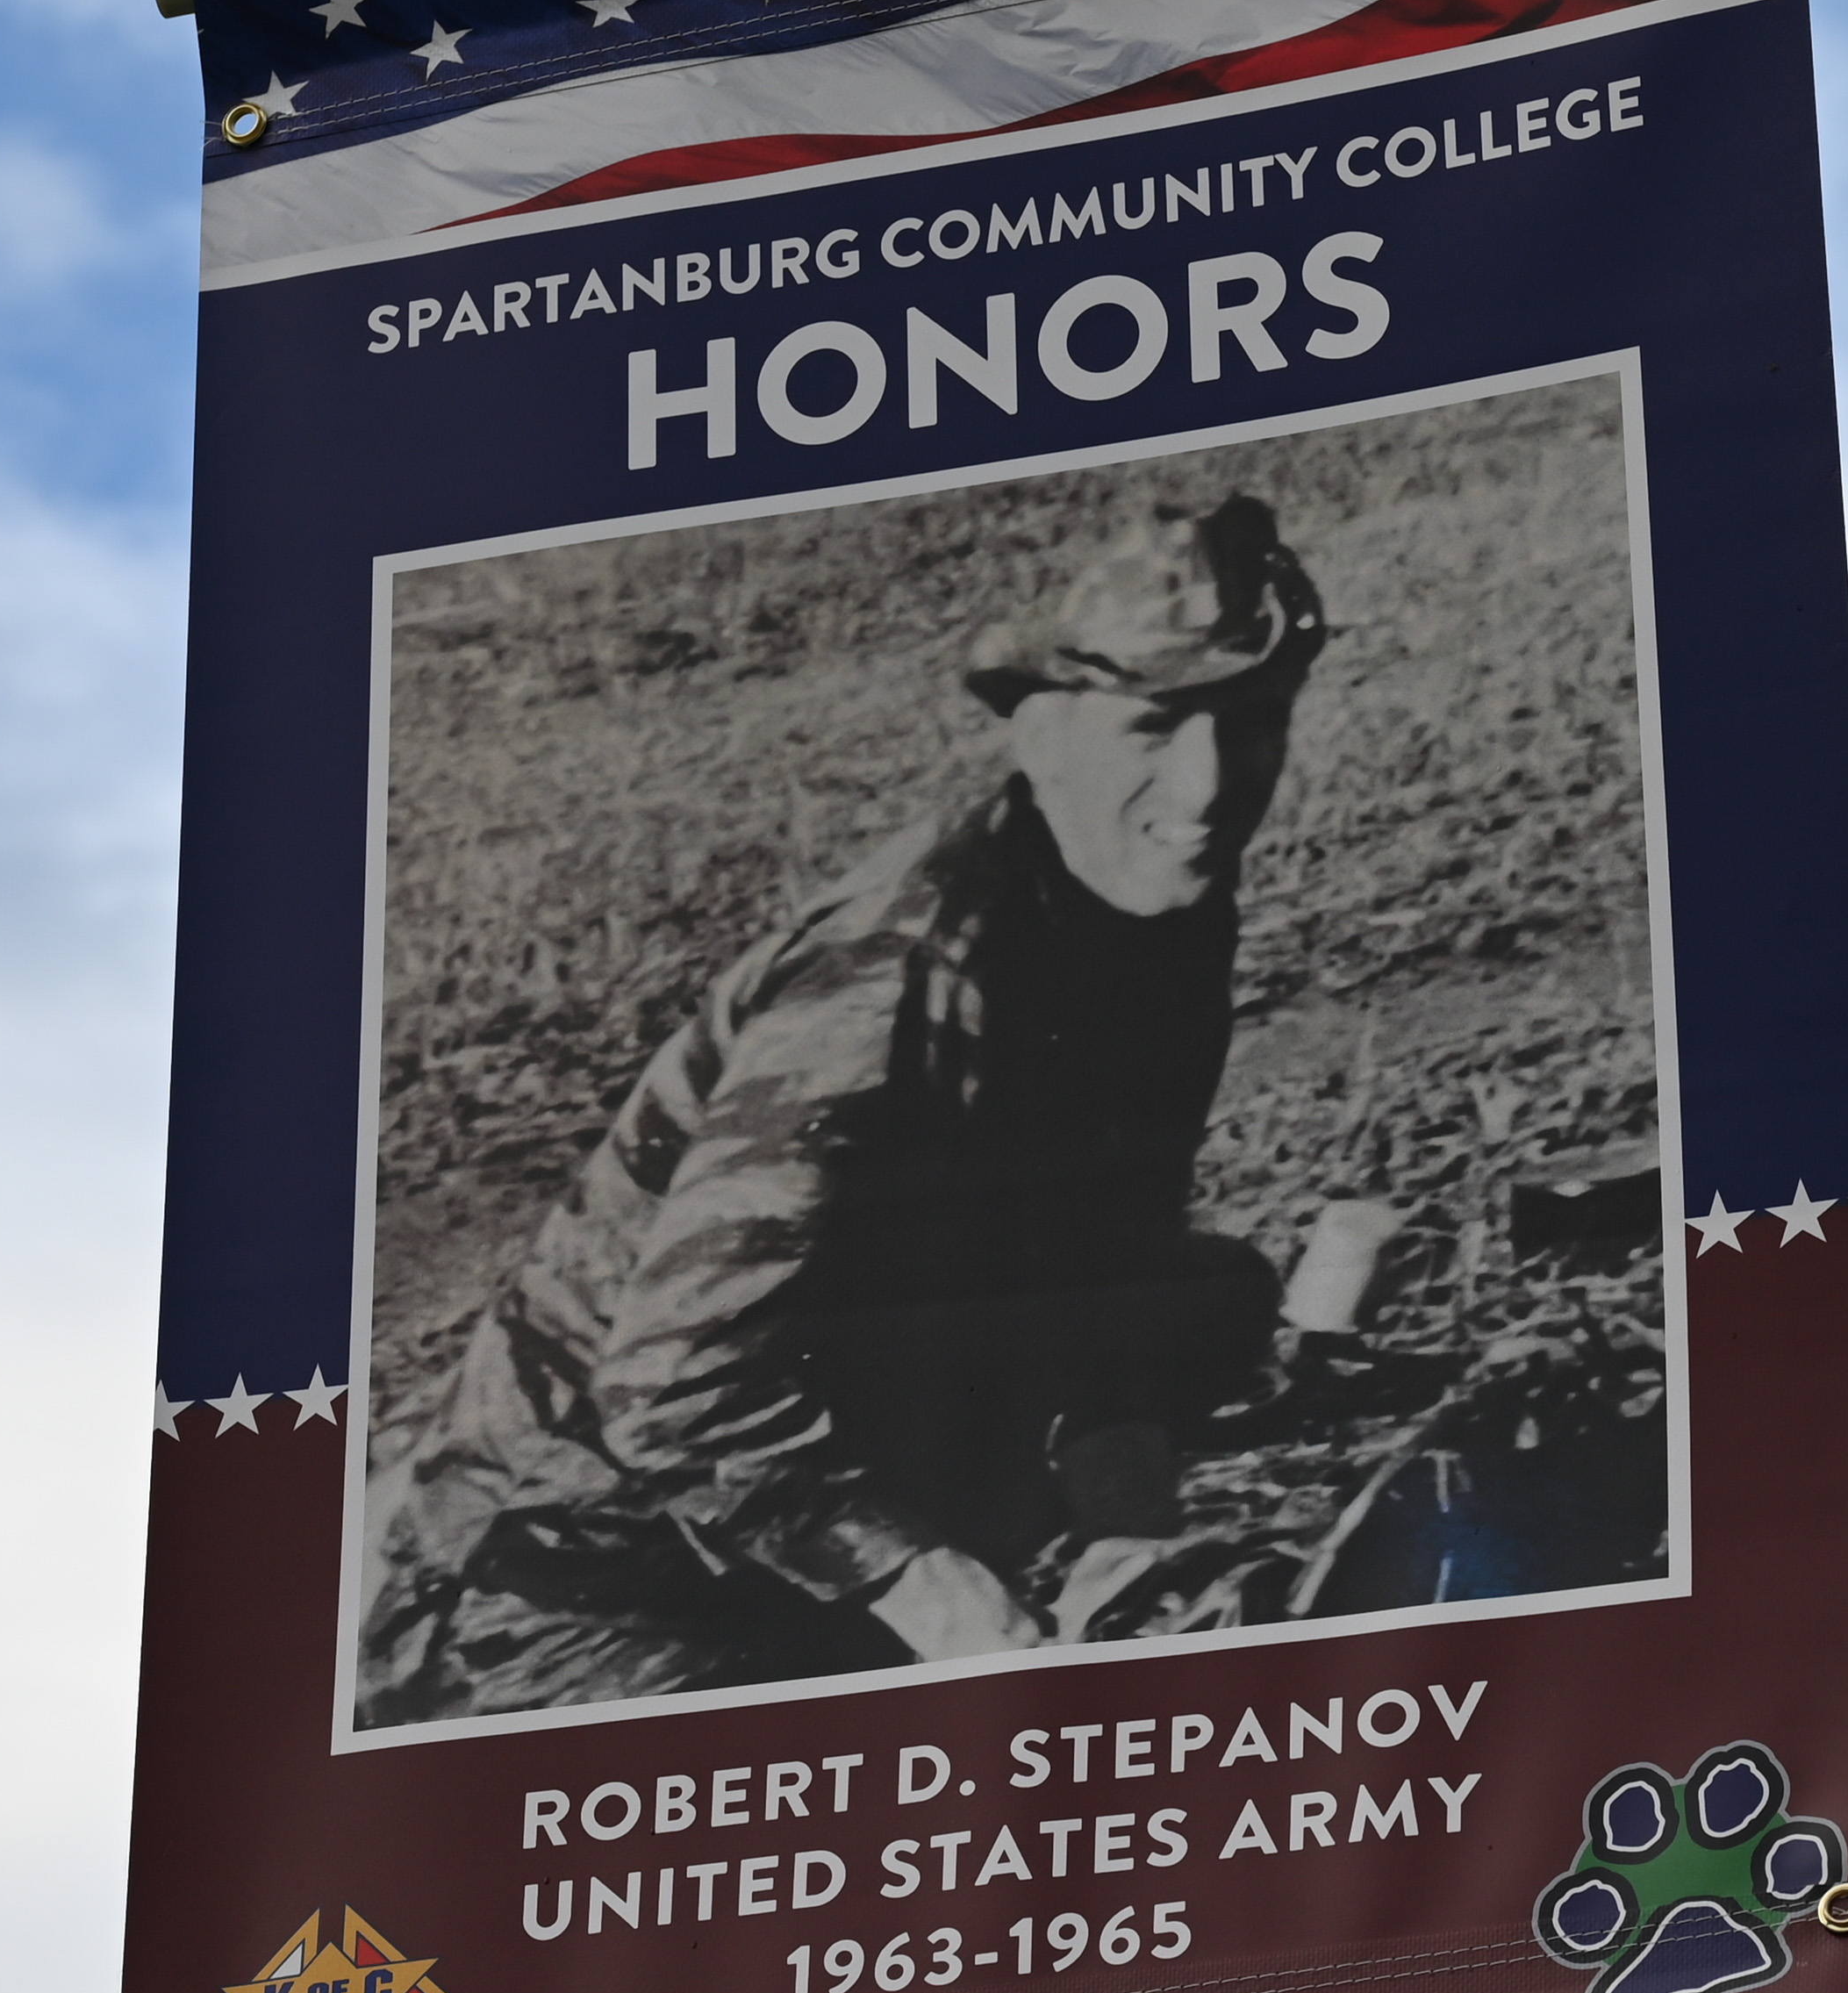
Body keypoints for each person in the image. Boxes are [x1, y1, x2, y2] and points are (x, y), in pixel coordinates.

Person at [356, 489, 1331, 1724]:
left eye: (1250, 723)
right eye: (1155, 727)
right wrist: (954, 1607)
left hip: (798, 1488)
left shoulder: (1160, 914)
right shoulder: (902, 976)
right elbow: (674, 1390)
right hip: (577, 1580)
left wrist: (1124, 1535)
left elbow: (1112, 1264)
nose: (1206, 791)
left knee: (1209, 1297)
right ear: (1039, 734)